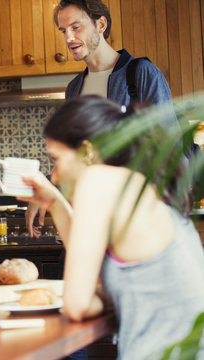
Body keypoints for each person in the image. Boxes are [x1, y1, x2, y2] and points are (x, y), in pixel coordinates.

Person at [17, 96, 204, 359]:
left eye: (56, 159)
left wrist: (98, 298)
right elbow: (99, 287)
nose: (55, 175)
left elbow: (77, 305)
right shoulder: (137, 183)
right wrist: (56, 205)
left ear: (88, 152)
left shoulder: (98, 181)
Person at [26, 0, 183, 236]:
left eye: (76, 27)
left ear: (100, 24)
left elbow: (169, 148)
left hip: (139, 218)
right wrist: (47, 186)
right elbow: (73, 154)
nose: (68, 38)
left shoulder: (141, 74)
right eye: (63, 30)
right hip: (91, 215)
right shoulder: (75, 89)